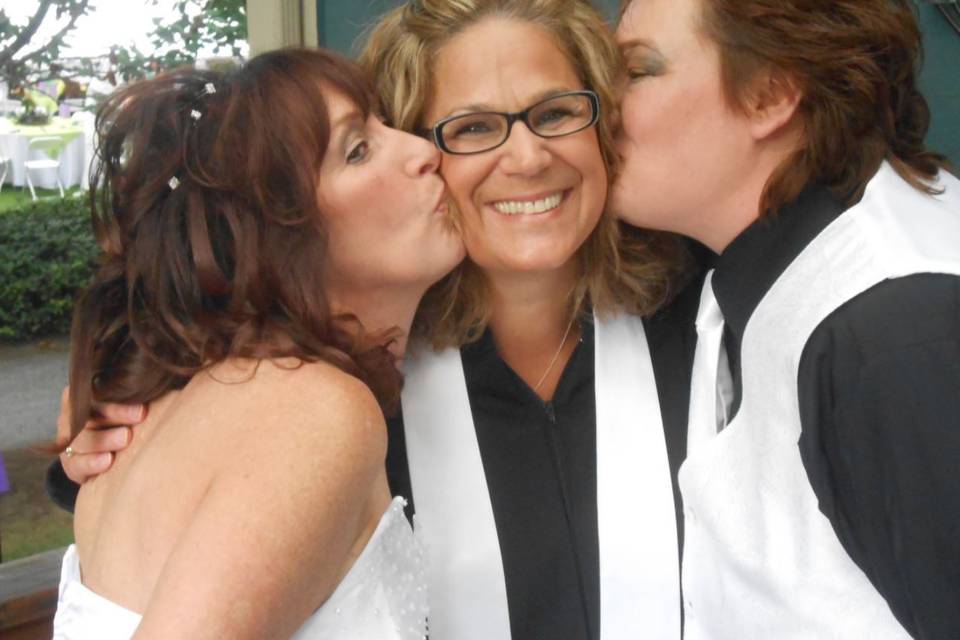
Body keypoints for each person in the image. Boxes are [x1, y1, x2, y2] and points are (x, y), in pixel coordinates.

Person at [51, 1, 698, 638]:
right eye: (471, 127)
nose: (527, 157)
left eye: (557, 112)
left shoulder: (705, 329)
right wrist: (94, 444)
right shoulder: (346, 397)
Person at [51, 47, 463, 639]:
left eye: (386, 125)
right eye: (357, 150)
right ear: (275, 234)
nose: (425, 151)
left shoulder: (208, 401)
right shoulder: (316, 412)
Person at [611, 0, 960, 637]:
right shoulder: (764, 267)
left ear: (770, 96)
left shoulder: (893, 334)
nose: (599, 107)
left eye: (636, 72)